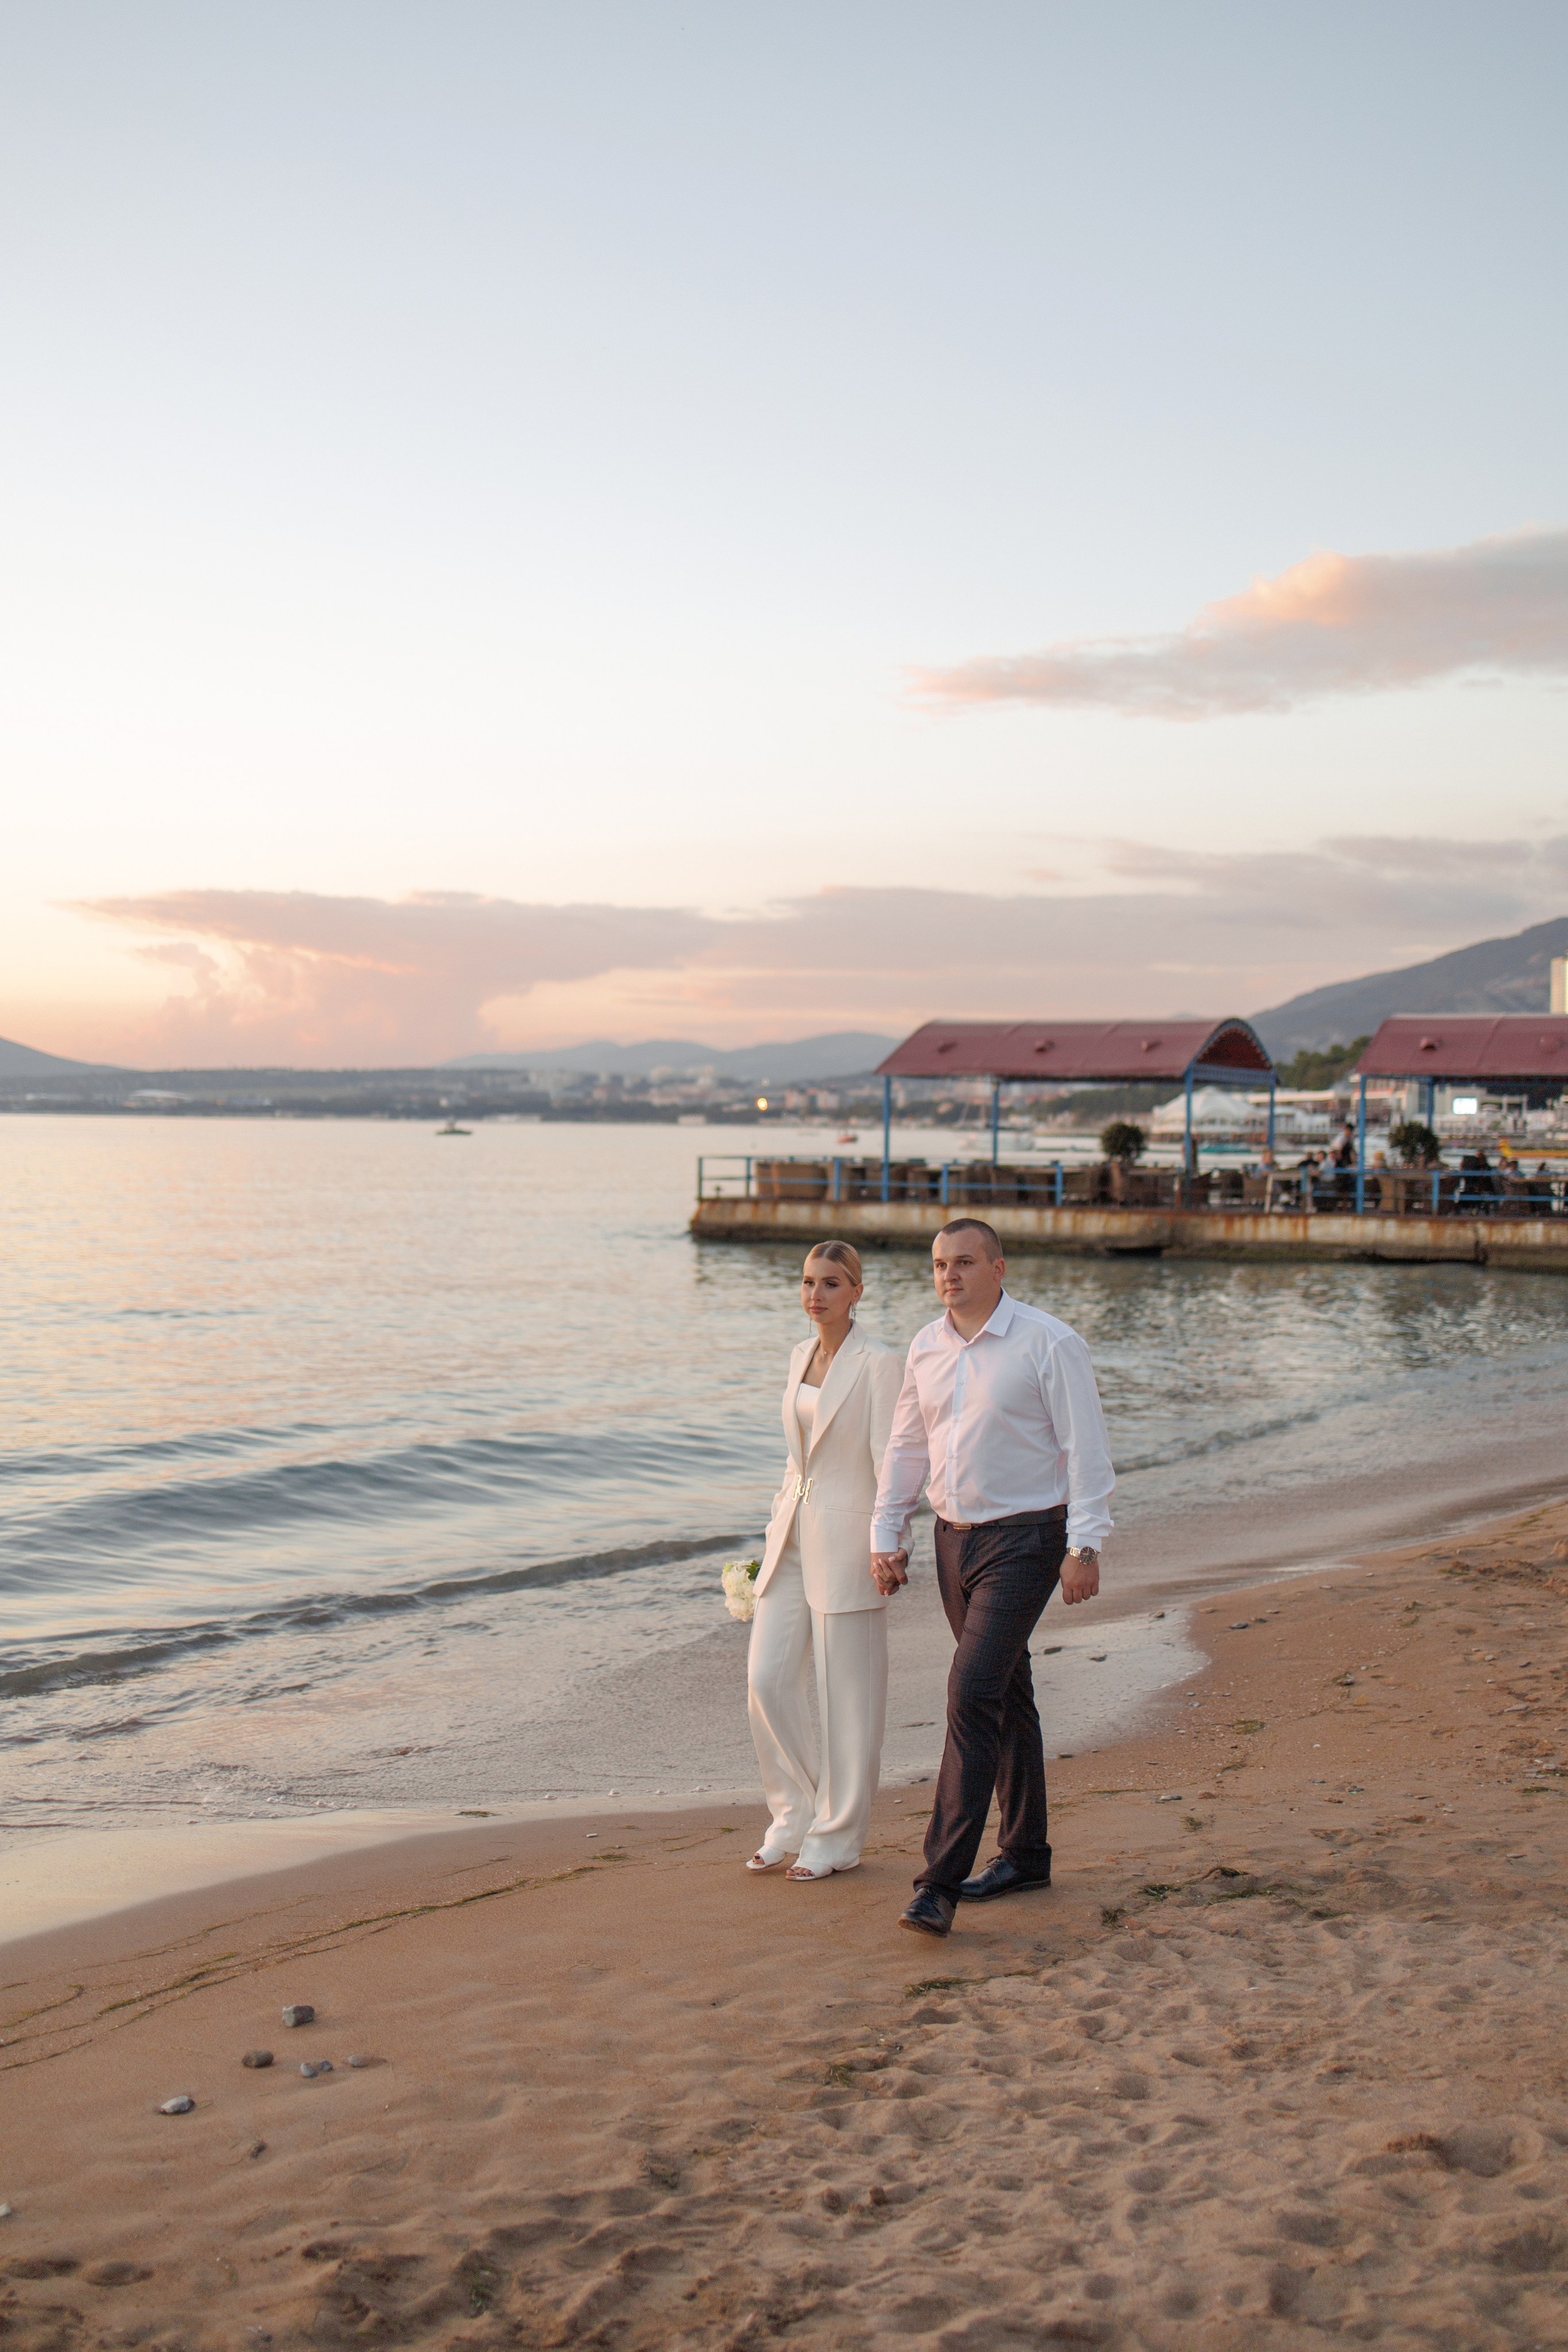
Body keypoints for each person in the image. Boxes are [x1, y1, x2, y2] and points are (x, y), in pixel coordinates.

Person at [870, 1219, 1116, 1939]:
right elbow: (907, 1446)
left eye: (966, 1262)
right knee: (1006, 1692)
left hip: (1026, 1540)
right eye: (940, 1264)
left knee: (970, 1692)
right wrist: (888, 1534)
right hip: (954, 1542)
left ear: (999, 1268)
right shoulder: (925, 1345)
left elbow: (1086, 1449)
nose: (950, 1275)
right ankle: (1026, 1855)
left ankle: (937, 1883)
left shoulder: (1048, 1342)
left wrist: (1085, 1547)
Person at [746, 1242, 906, 1880]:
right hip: (790, 1538)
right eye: (809, 1282)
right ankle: (792, 1814)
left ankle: (836, 1839)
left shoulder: (879, 1364)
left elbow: (890, 1467)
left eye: (832, 1284)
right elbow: (797, 1458)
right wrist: (771, 1531)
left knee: (849, 1701)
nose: (816, 1295)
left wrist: (888, 1545)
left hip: (849, 1546)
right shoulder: (797, 1356)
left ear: (857, 1292)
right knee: (766, 1681)